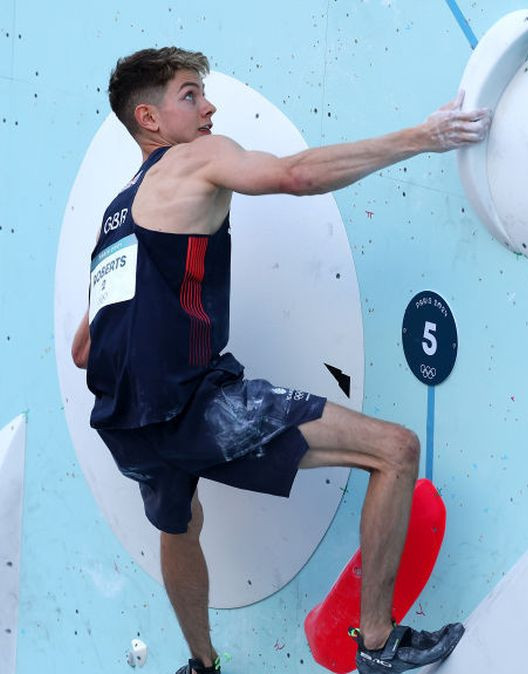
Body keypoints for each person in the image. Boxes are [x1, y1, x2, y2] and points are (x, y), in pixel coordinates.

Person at [71, 46, 490, 674]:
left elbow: (84, 349)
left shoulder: (114, 218)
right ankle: (377, 645)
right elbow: (296, 175)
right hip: (194, 409)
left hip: (128, 430)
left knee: (179, 524)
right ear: (149, 119)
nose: (208, 106)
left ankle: (202, 665)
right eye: (190, 95)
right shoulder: (195, 160)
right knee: (395, 450)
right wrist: (420, 137)